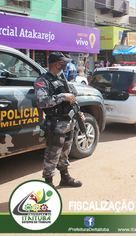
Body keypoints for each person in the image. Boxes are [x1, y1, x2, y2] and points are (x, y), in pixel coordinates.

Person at [34, 52, 84, 187]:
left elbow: (73, 98)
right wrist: (63, 96)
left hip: (68, 122)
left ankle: (65, 177)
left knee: (64, 153)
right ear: (57, 64)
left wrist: (78, 113)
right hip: (55, 124)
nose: (66, 66)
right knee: (52, 156)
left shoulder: (61, 79)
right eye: (64, 63)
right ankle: (48, 185)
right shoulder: (42, 81)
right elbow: (41, 102)